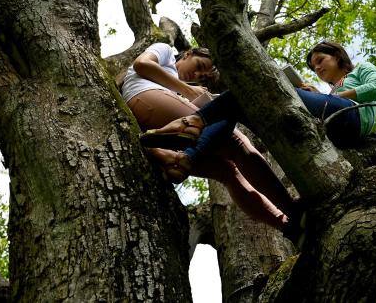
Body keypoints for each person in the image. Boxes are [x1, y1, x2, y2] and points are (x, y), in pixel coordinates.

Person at [122, 43, 297, 232]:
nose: (197, 75)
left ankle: (288, 227)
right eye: (199, 66)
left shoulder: (177, 89)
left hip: (150, 125)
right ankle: (294, 210)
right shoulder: (166, 51)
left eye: (202, 76)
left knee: (228, 172)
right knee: (235, 141)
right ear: (188, 53)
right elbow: (142, 64)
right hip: (144, 96)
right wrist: (189, 90)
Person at [140, 40, 376, 171]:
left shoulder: (361, 70)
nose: (318, 68)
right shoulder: (329, 92)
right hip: (334, 129)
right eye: (314, 66)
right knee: (238, 105)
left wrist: (340, 94)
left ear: (339, 56)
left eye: (321, 60)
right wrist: (309, 94)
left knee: (254, 86)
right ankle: (186, 158)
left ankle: (194, 121)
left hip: (350, 118)